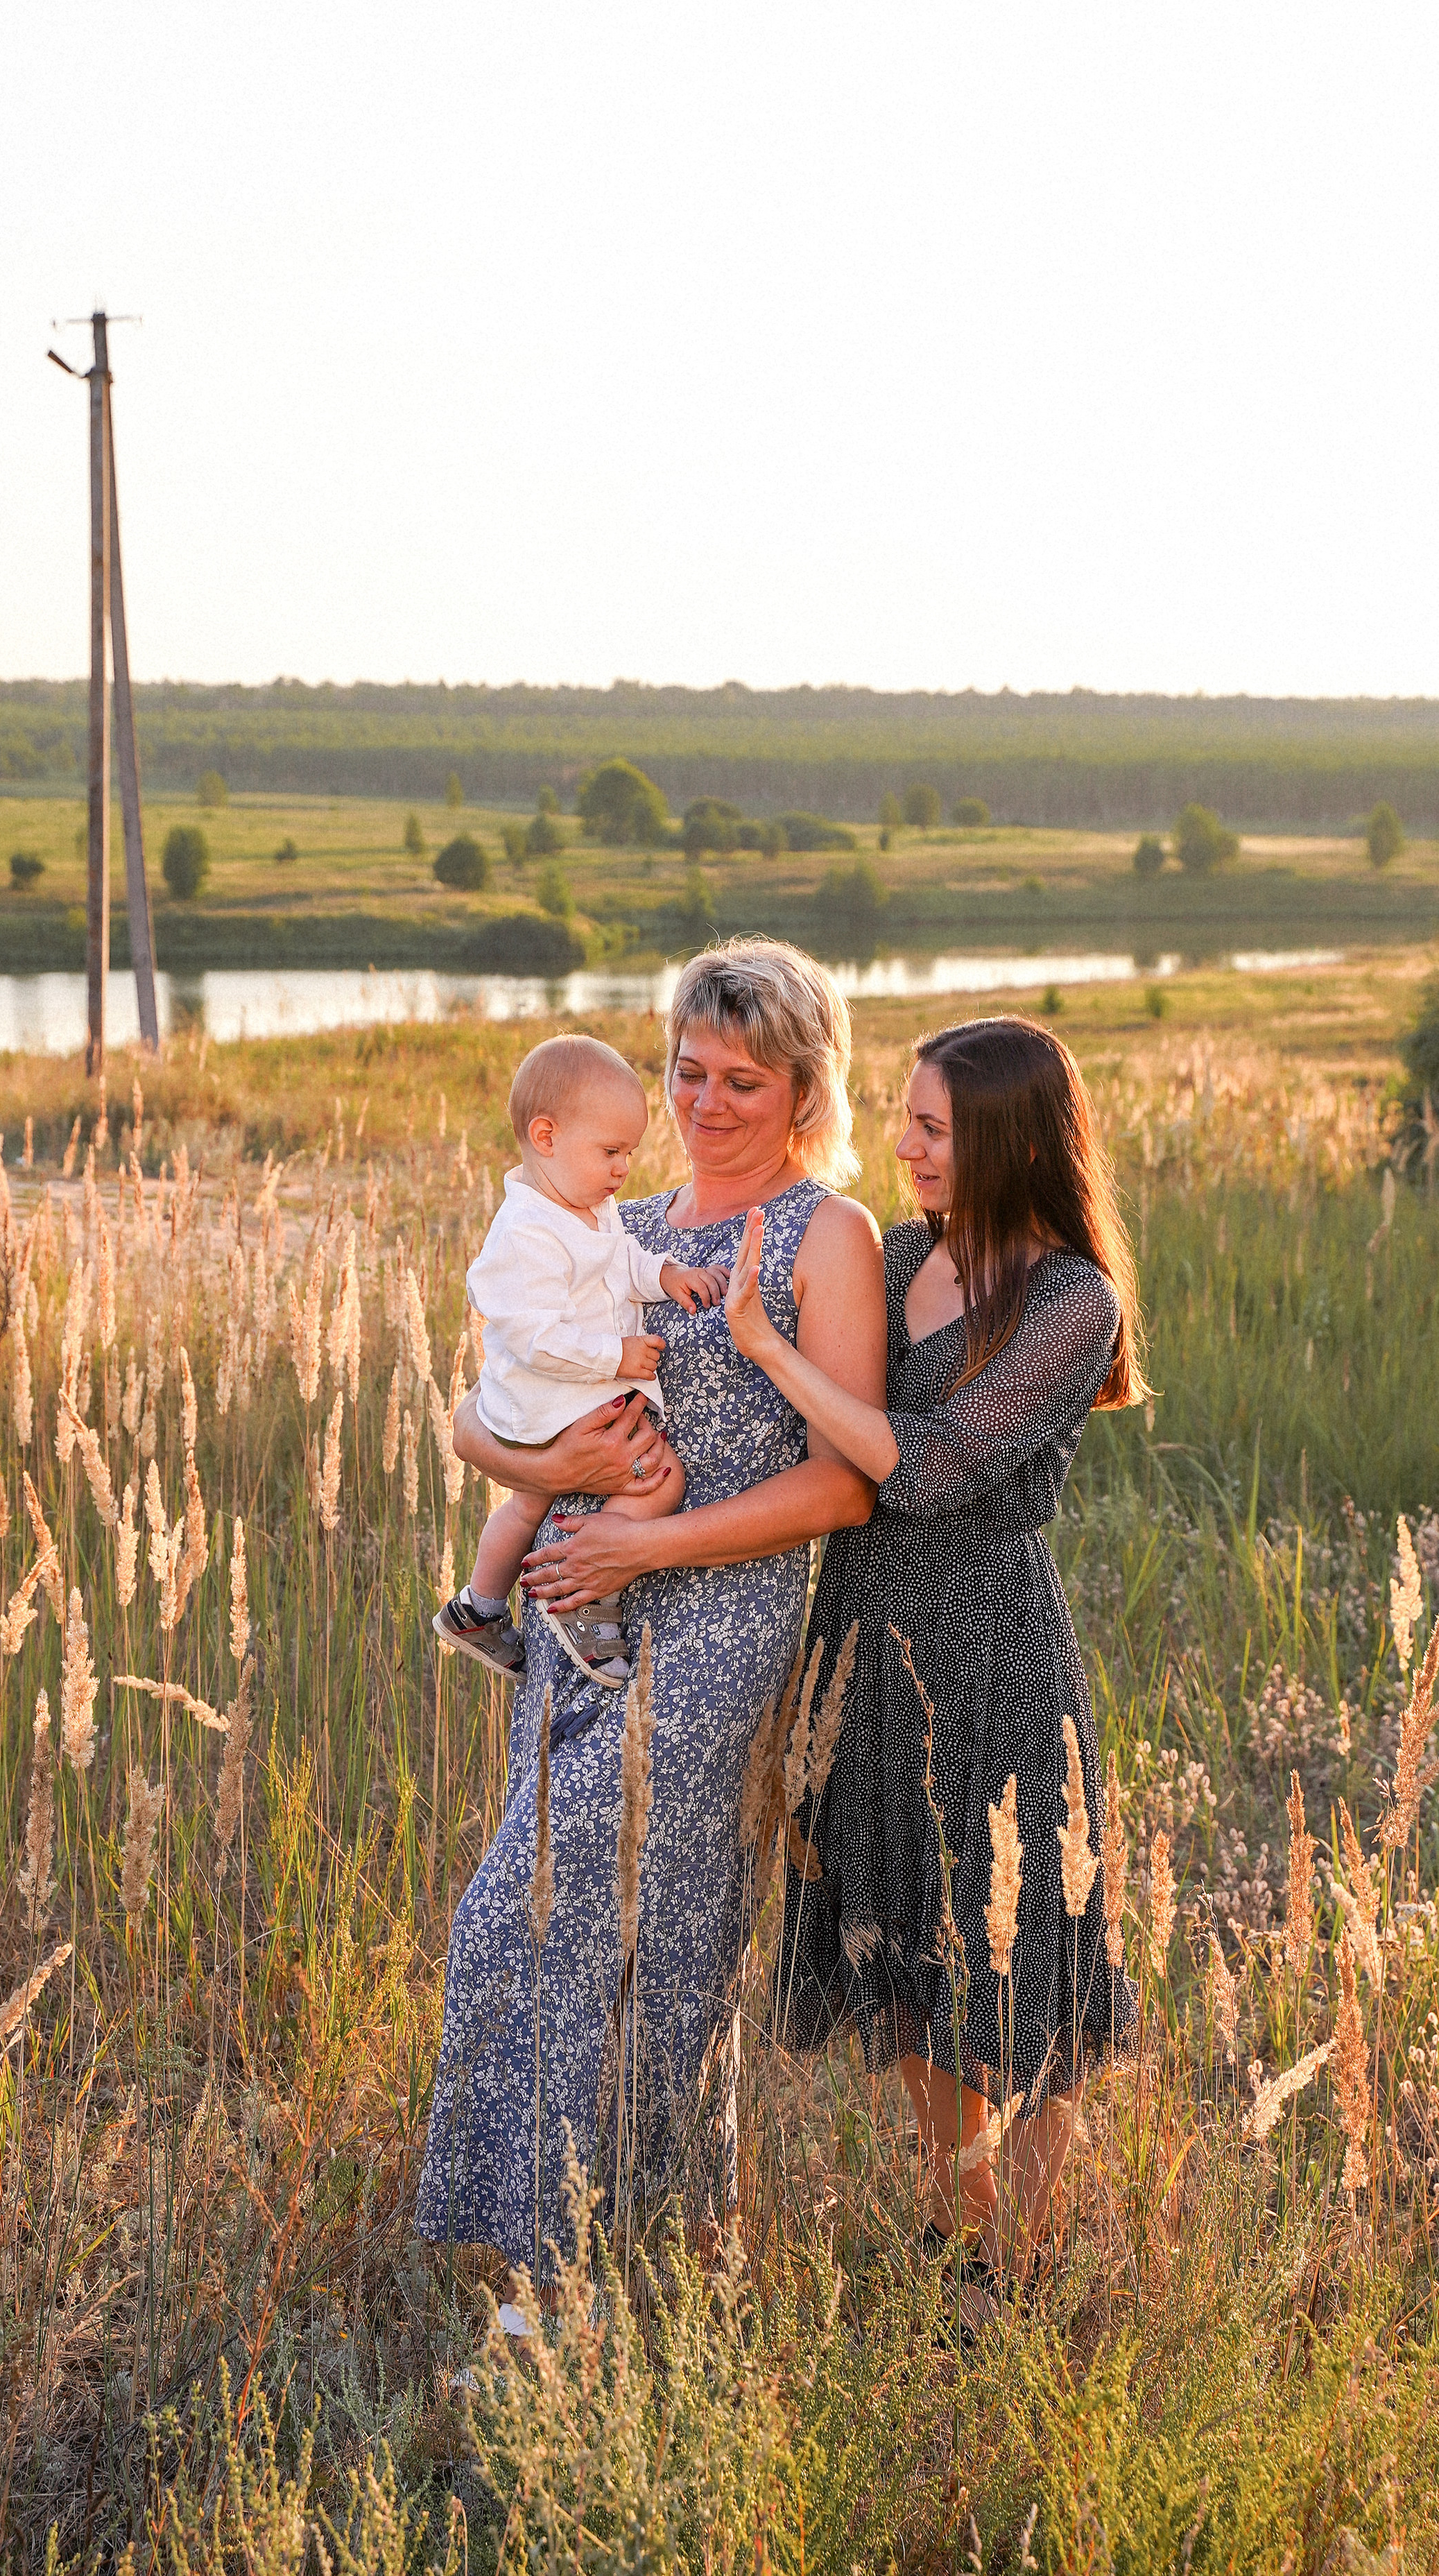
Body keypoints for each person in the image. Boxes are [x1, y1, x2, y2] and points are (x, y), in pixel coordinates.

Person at [413, 938, 886, 2283]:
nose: (707, 1100)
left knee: (582, 1922)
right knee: (611, 1928)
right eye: (689, 1070)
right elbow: (486, 1404)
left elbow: (843, 1488)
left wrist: (645, 1542)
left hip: (723, 1620)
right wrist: (543, 1472)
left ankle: (556, 2285)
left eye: (745, 1078)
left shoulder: (825, 1233)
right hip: (580, 1614)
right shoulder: (621, 1219)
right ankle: (674, 2250)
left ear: (804, 1088)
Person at [721, 1012, 1144, 2319]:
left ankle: (1018, 2257)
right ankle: (964, 2237)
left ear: (1011, 1140)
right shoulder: (897, 1253)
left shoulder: (1073, 1300)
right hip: (862, 1628)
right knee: (905, 1936)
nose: (903, 1146)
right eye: (903, 1119)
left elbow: (939, 1464)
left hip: (992, 1644)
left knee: (1016, 1947)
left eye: (934, 1129)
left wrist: (776, 1353)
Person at [431, 1033, 730, 1688]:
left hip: (548, 1400)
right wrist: (615, 1353)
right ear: (546, 1136)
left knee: (523, 1507)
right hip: (552, 1393)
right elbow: (534, 1336)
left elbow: (620, 1262)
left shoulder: (586, 1208)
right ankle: (584, 1577)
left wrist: (667, 1272)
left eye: (629, 1152)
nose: (623, 1169)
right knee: (657, 1476)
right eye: (610, 1151)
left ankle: (477, 1607)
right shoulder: (527, 1231)